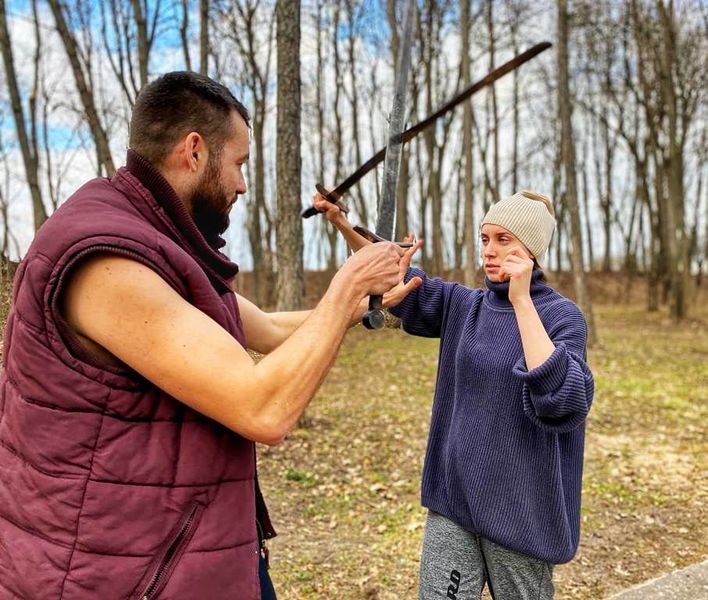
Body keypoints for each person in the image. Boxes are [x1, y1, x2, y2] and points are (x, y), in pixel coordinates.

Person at [0, 72, 421, 600]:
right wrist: (346, 285)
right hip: (117, 572)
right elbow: (262, 409)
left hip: (184, 549)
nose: (244, 185)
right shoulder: (105, 259)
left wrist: (360, 306)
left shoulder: (158, 239)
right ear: (193, 151)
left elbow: (265, 329)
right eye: (239, 164)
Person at [314, 189, 594, 599]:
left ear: (531, 250)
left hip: (521, 514)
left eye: (504, 240)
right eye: (485, 239)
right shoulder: (466, 306)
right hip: (455, 501)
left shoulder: (561, 317)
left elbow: (563, 401)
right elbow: (398, 276)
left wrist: (521, 302)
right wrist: (342, 224)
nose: (490, 252)